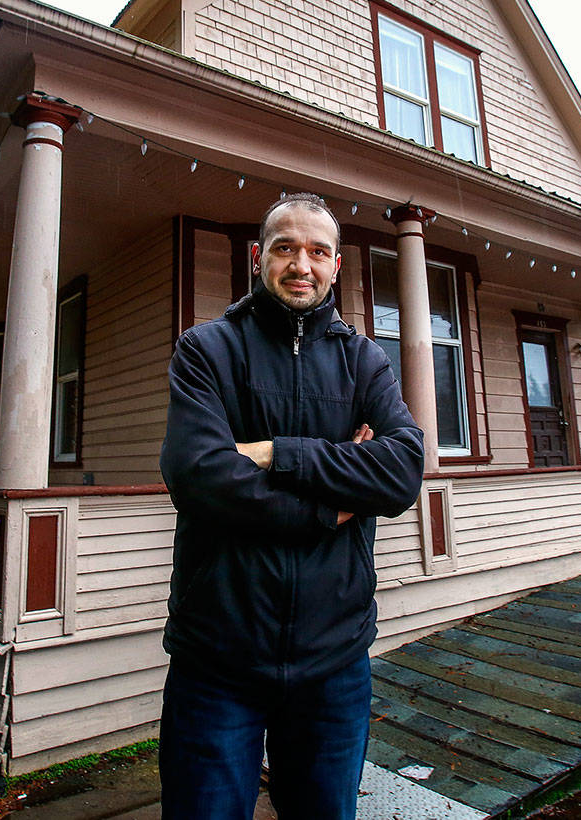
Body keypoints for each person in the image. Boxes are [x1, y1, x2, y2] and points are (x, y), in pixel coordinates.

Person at [158, 193, 425, 819]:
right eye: (285, 248)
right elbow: (198, 473)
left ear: (336, 267)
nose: (301, 264)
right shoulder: (206, 350)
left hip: (334, 662)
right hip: (218, 659)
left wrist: (276, 452)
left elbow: (402, 471)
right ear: (258, 258)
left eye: (317, 251)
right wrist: (325, 508)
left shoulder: (364, 362)